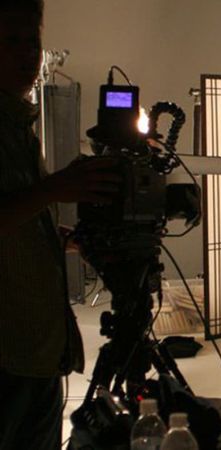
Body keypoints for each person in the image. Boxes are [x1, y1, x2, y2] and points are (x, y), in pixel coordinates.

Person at [0, 1, 120, 448]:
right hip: (8, 352)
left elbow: (21, 219)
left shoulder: (19, 124)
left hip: (41, 347)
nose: (27, 55)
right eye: (11, 41)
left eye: (32, 42)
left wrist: (67, 238)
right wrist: (54, 189)